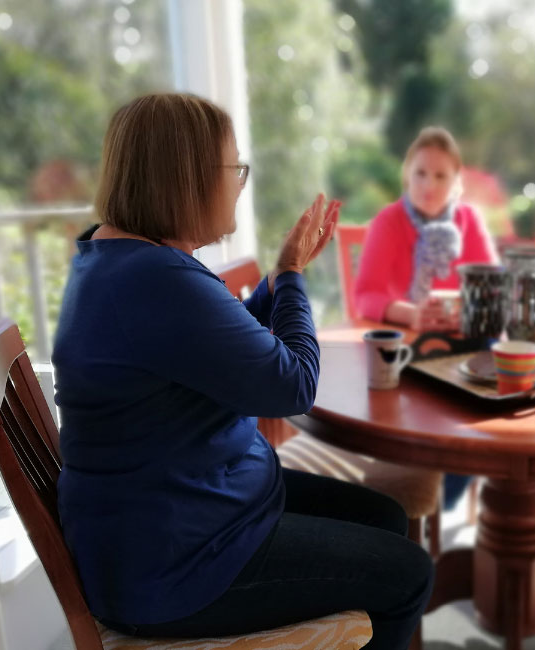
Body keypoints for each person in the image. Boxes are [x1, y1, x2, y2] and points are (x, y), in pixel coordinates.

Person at [52, 93, 433, 650]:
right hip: (178, 568)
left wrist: (279, 282)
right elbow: (294, 385)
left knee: (383, 515)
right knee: (409, 573)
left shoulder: (120, 261)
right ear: (187, 177)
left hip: (186, 519)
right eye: (235, 169)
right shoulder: (156, 281)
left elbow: (221, 341)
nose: (239, 183)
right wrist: (292, 274)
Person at [354, 126, 500, 508]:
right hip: (408, 346)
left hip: (463, 341)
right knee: (449, 399)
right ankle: (415, 500)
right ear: (407, 174)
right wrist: (413, 314)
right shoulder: (388, 222)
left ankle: (431, 500)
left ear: (456, 182)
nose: (429, 185)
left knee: (487, 394)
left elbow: (491, 289)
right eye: (420, 173)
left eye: (440, 175)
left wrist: (461, 314)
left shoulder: (469, 221)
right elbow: (365, 295)